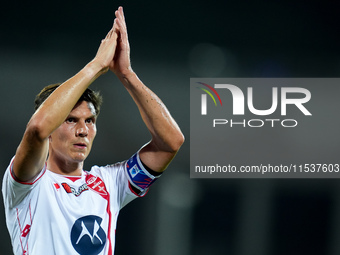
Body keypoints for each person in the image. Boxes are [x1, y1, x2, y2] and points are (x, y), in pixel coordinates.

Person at [2, 6, 184, 255]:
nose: (82, 130)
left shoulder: (110, 183)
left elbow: (170, 143)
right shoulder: (27, 182)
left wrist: (127, 75)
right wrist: (97, 66)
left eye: (90, 121)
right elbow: (37, 129)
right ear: (53, 128)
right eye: (70, 120)